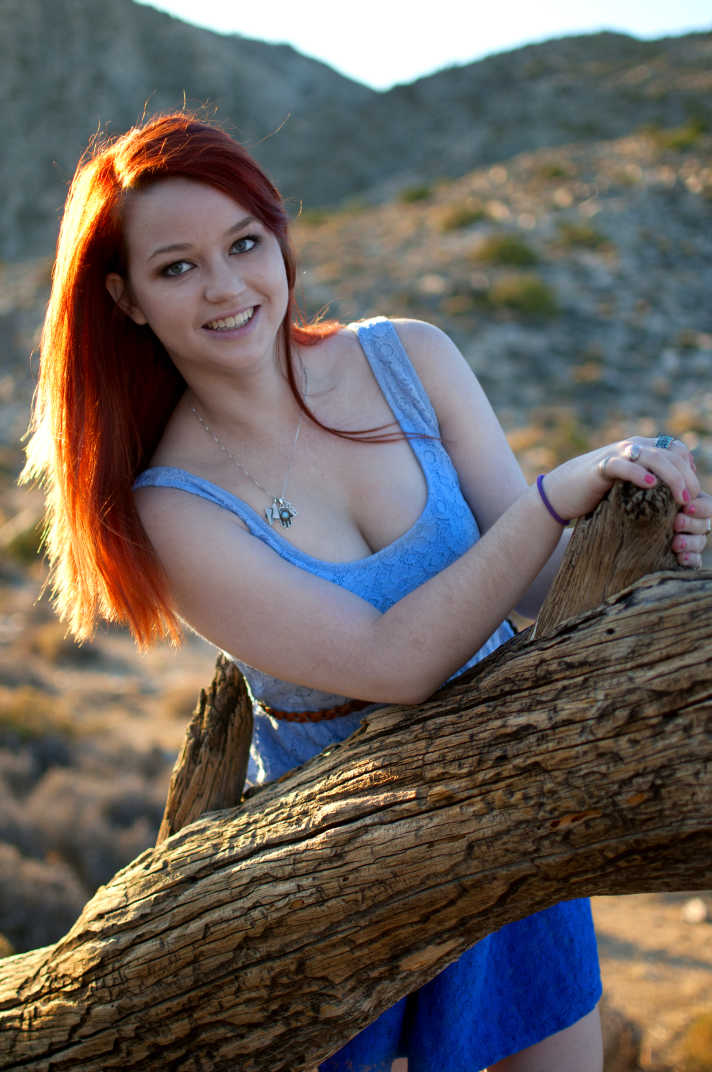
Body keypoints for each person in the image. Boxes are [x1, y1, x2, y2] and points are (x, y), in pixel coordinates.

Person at [22, 112, 710, 1072]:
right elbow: (395, 663)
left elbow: (540, 587)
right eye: (176, 268)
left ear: (281, 240)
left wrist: (645, 533)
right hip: (339, 883)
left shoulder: (410, 359)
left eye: (245, 243)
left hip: (515, 819)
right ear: (125, 298)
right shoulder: (172, 508)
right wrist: (558, 494)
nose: (226, 287)